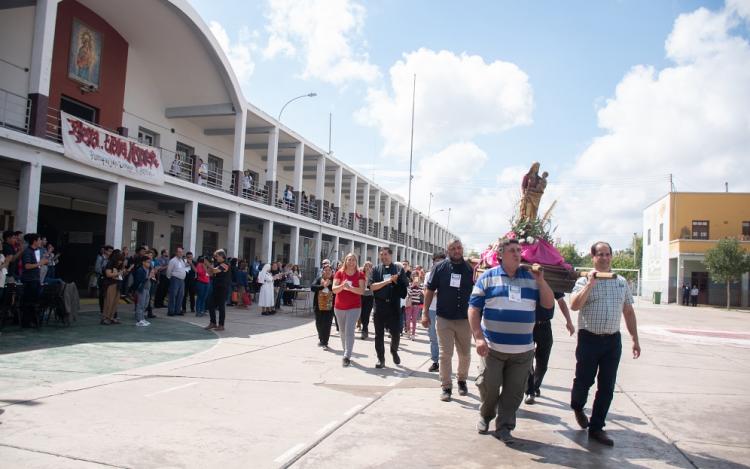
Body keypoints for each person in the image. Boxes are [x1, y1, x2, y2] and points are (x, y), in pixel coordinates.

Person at [469, 238, 554, 443]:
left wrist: (541, 281)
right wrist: (479, 338)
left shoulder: (532, 278)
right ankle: (486, 415)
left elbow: (549, 305)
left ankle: (505, 427)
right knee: (489, 387)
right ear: (500, 255)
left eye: (519, 250)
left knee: (514, 392)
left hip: (523, 351)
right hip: (492, 349)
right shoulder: (488, 278)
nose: (517, 254)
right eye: (512, 251)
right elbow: (473, 309)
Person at [570, 241, 641, 447]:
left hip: (612, 341)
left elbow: (628, 311)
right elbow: (574, 305)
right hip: (589, 339)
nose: (604, 258)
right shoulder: (584, 281)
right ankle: (577, 406)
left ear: (612, 256)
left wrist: (635, 339)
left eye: (607, 254)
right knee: (584, 381)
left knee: (607, 386)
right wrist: (591, 285)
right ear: (593, 257)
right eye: (599, 254)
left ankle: (597, 427)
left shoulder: (621, 282)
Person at [423, 239, 475, 401]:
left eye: (459, 248)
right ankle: (446, 387)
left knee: (465, 354)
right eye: (453, 248)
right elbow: (429, 290)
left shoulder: (470, 269)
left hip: (464, 319)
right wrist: (425, 313)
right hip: (444, 318)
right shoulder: (439, 268)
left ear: (462, 249)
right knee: (445, 354)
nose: (456, 251)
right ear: (447, 251)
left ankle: (462, 380)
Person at [525, 291, 576, 404]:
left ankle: (535, 385)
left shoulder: (551, 281)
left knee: (543, 362)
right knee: (527, 360)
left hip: (545, 326)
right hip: (527, 325)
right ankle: (530, 391)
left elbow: (561, 302)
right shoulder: (527, 279)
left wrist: (569, 321)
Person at [370, 247, 410, 369]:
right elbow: (372, 287)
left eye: (385, 254)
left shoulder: (398, 269)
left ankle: (394, 350)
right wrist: (387, 282)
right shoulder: (376, 270)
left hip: (393, 305)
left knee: (396, 333)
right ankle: (380, 359)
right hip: (379, 305)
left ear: (391, 255)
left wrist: (396, 282)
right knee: (379, 334)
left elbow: (404, 287)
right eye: (381, 255)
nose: (383, 257)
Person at [332, 253, 366, 367]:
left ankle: (347, 356)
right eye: (349, 260)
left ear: (356, 262)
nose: (351, 262)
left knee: (349, 331)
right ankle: (346, 351)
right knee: (342, 331)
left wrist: (350, 288)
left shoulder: (360, 274)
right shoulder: (339, 273)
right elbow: (334, 289)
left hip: (354, 307)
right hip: (339, 307)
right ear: (345, 261)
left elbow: (361, 291)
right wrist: (342, 286)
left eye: (354, 260)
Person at [422, 252, 446, 372]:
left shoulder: (448, 274)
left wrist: (434, 292)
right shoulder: (428, 275)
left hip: (444, 309)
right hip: (431, 309)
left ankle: (445, 362)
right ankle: (435, 361)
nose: (439, 263)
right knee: (433, 337)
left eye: (441, 260)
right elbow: (426, 291)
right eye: (437, 260)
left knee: (444, 338)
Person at [20, 233, 48, 327]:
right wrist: (39, 263)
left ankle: (33, 320)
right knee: (29, 301)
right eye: (39, 240)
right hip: (29, 280)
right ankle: (27, 321)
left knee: (34, 300)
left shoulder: (38, 251)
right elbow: (27, 266)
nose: (40, 242)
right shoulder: (27, 251)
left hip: (36, 278)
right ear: (34, 241)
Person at [205, 250, 230, 331]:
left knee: (221, 307)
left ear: (222, 256)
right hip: (215, 287)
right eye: (215, 256)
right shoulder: (216, 264)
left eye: (217, 256)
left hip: (223, 288)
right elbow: (210, 273)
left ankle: (221, 325)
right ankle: (213, 323)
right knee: (210, 304)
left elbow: (215, 270)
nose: (215, 258)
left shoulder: (226, 264)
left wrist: (208, 264)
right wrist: (207, 265)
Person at [311, 264, 335, 347]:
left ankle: (325, 341)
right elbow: (312, 287)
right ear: (323, 271)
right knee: (319, 323)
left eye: (329, 270)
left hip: (330, 306)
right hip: (318, 305)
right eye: (326, 270)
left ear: (332, 272)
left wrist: (329, 285)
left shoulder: (334, 280)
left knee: (327, 324)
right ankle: (321, 338)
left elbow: (336, 290)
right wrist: (323, 286)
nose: (327, 272)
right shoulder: (319, 279)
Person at [102, 249, 126, 325]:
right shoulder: (110, 263)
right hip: (111, 284)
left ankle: (111, 317)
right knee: (109, 301)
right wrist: (118, 273)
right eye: (120, 260)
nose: (120, 262)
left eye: (122, 261)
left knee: (115, 302)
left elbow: (120, 274)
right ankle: (106, 318)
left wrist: (123, 272)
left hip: (118, 284)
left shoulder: (119, 265)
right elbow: (108, 274)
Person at [132, 254, 155, 327]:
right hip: (142, 289)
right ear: (143, 262)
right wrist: (149, 277)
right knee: (140, 304)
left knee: (145, 304)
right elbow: (140, 280)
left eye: (149, 262)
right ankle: (139, 319)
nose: (149, 263)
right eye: (147, 262)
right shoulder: (140, 270)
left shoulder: (148, 269)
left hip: (147, 288)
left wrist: (152, 278)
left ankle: (142, 318)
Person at [166, 247, 188, 316]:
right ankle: (171, 311)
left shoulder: (182, 261)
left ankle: (177, 310)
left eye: (181, 252)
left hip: (182, 280)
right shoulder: (173, 260)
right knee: (173, 295)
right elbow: (169, 270)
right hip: (175, 279)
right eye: (179, 252)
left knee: (180, 295)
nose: (181, 253)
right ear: (176, 253)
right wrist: (170, 277)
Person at [405, 272, 423, 340]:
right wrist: (412, 286)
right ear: (411, 277)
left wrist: (417, 286)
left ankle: (413, 334)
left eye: (416, 276)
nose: (415, 277)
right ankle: (408, 332)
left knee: (414, 320)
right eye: (413, 276)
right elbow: (409, 293)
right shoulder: (409, 285)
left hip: (416, 305)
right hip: (409, 304)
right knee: (408, 320)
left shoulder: (420, 285)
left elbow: (419, 294)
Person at [359, 261, 374, 340]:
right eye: (366, 266)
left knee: (366, 313)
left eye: (369, 266)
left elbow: (375, 284)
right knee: (361, 314)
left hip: (369, 296)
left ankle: (364, 330)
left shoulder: (373, 275)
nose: (367, 267)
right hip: (361, 296)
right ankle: (364, 327)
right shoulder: (361, 274)